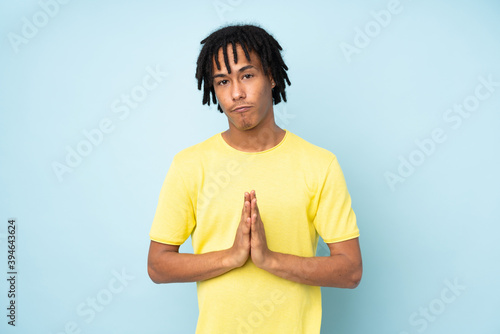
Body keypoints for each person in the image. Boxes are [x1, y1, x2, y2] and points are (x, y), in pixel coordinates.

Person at [147, 24, 362, 334]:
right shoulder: (189, 165)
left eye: (247, 75)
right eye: (223, 81)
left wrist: (270, 260)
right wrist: (232, 257)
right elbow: (157, 265)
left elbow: (351, 270)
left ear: (272, 77)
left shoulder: (319, 164)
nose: (236, 93)